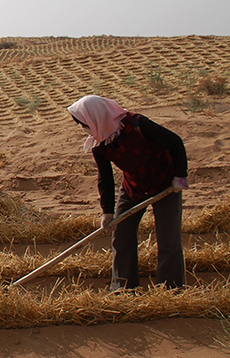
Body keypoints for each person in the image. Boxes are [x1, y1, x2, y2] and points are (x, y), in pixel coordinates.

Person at [68, 95, 189, 292]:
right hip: (134, 187)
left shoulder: (137, 124)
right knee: (121, 234)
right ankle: (123, 288)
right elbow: (105, 178)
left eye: (84, 125)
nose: (84, 130)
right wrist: (107, 212)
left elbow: (175, 142)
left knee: (168, 239)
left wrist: (180, 177)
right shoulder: (99, 144)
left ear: (96, 118)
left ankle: (170, 290)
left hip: (165, 184)